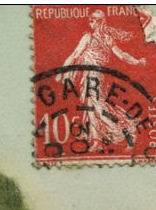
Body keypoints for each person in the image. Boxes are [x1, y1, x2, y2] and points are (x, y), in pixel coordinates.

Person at [59, 10, 146, 148]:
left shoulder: (94, 37)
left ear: (99, 22)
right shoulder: (98, 37)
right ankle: (96, 140)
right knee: (90, 107)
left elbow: (121, 55)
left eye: (93, 20)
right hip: (91, 76)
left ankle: (124, 129)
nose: (90, 22)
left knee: (98, 107)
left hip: (94, 76)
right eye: (90, 20)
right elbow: (75, 54)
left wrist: (137, 62)